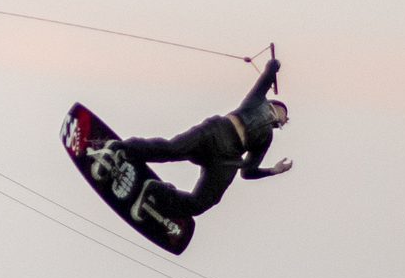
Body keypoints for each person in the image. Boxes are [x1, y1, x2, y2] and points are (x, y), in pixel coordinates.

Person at [112, 57, 291, 219]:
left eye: (283, 121)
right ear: (272, 105)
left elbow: (247, 171)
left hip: (227, 159)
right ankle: (124, 148)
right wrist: (273, 67)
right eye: (281, 113)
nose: (281, 119)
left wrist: (272, 171)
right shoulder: (257, 102)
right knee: (172, 149)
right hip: (216, 132)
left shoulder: (266, 138)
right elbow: (266, 78)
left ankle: (158, 192)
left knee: (201, 203)